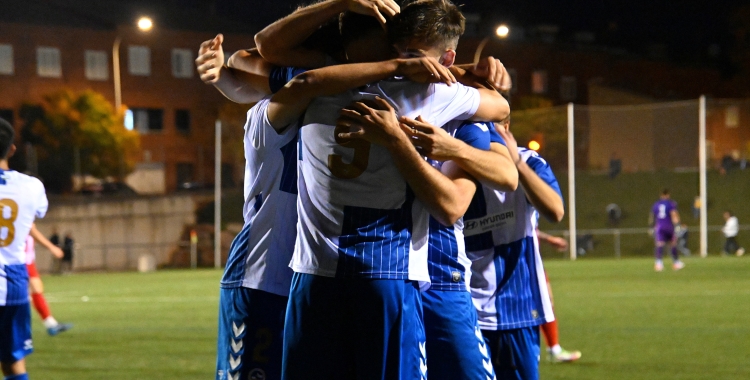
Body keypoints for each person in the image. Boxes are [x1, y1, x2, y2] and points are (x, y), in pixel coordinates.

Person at [464, 117, 564, 380]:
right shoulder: (453, 166)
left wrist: (517, 165)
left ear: (505, 127)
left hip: (516, 311)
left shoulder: (528, 161)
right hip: (463, 312)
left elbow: (555, 210)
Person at [0, 117, 49, 380]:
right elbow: (38, 212)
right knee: (13, 363)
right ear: (12, 149)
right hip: (14, 282)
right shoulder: (32, 186)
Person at [535, 229, 582, 363]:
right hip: (521, 259)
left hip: (529, 258)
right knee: (537, 307)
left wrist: (548, 239)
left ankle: (552, 349)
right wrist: (549, 239)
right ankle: (550, 349)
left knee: (542, 305)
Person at [25, 224, 73, 336]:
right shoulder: (21, 211)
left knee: (36, 289)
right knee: (19, 295)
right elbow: (32, 230)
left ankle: (50, 324)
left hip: (27, 260)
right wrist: (52, 247)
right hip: (17, 260)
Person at [649, 189, 684, 271]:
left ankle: (658, 264)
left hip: (659, 227)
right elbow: (674, 215)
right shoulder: (671, 204)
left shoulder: (656, 204)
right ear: (668, 195)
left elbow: (651, 217)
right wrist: (678, 225)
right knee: (673, 243)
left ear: (660, 195)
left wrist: (651, 227)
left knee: (659, 244)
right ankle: (676, 263)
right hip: (668, 226)